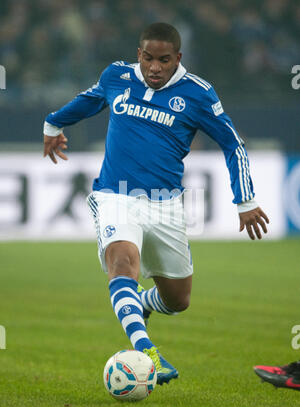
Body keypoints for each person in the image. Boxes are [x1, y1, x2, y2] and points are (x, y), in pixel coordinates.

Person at [43, 22, 269, 385]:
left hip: (165, 205)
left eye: (164, 60)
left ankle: (142, 304)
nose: (154, 68)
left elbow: (233, 144)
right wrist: (53, 124)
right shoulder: (117, 76)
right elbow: (91, 98)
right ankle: (148, 354)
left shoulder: (198, 94)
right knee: (121, 263)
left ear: (178, 58)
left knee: (178, 300)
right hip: (114, 194)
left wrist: (246, 200)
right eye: (148, 58)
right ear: (139, 54)